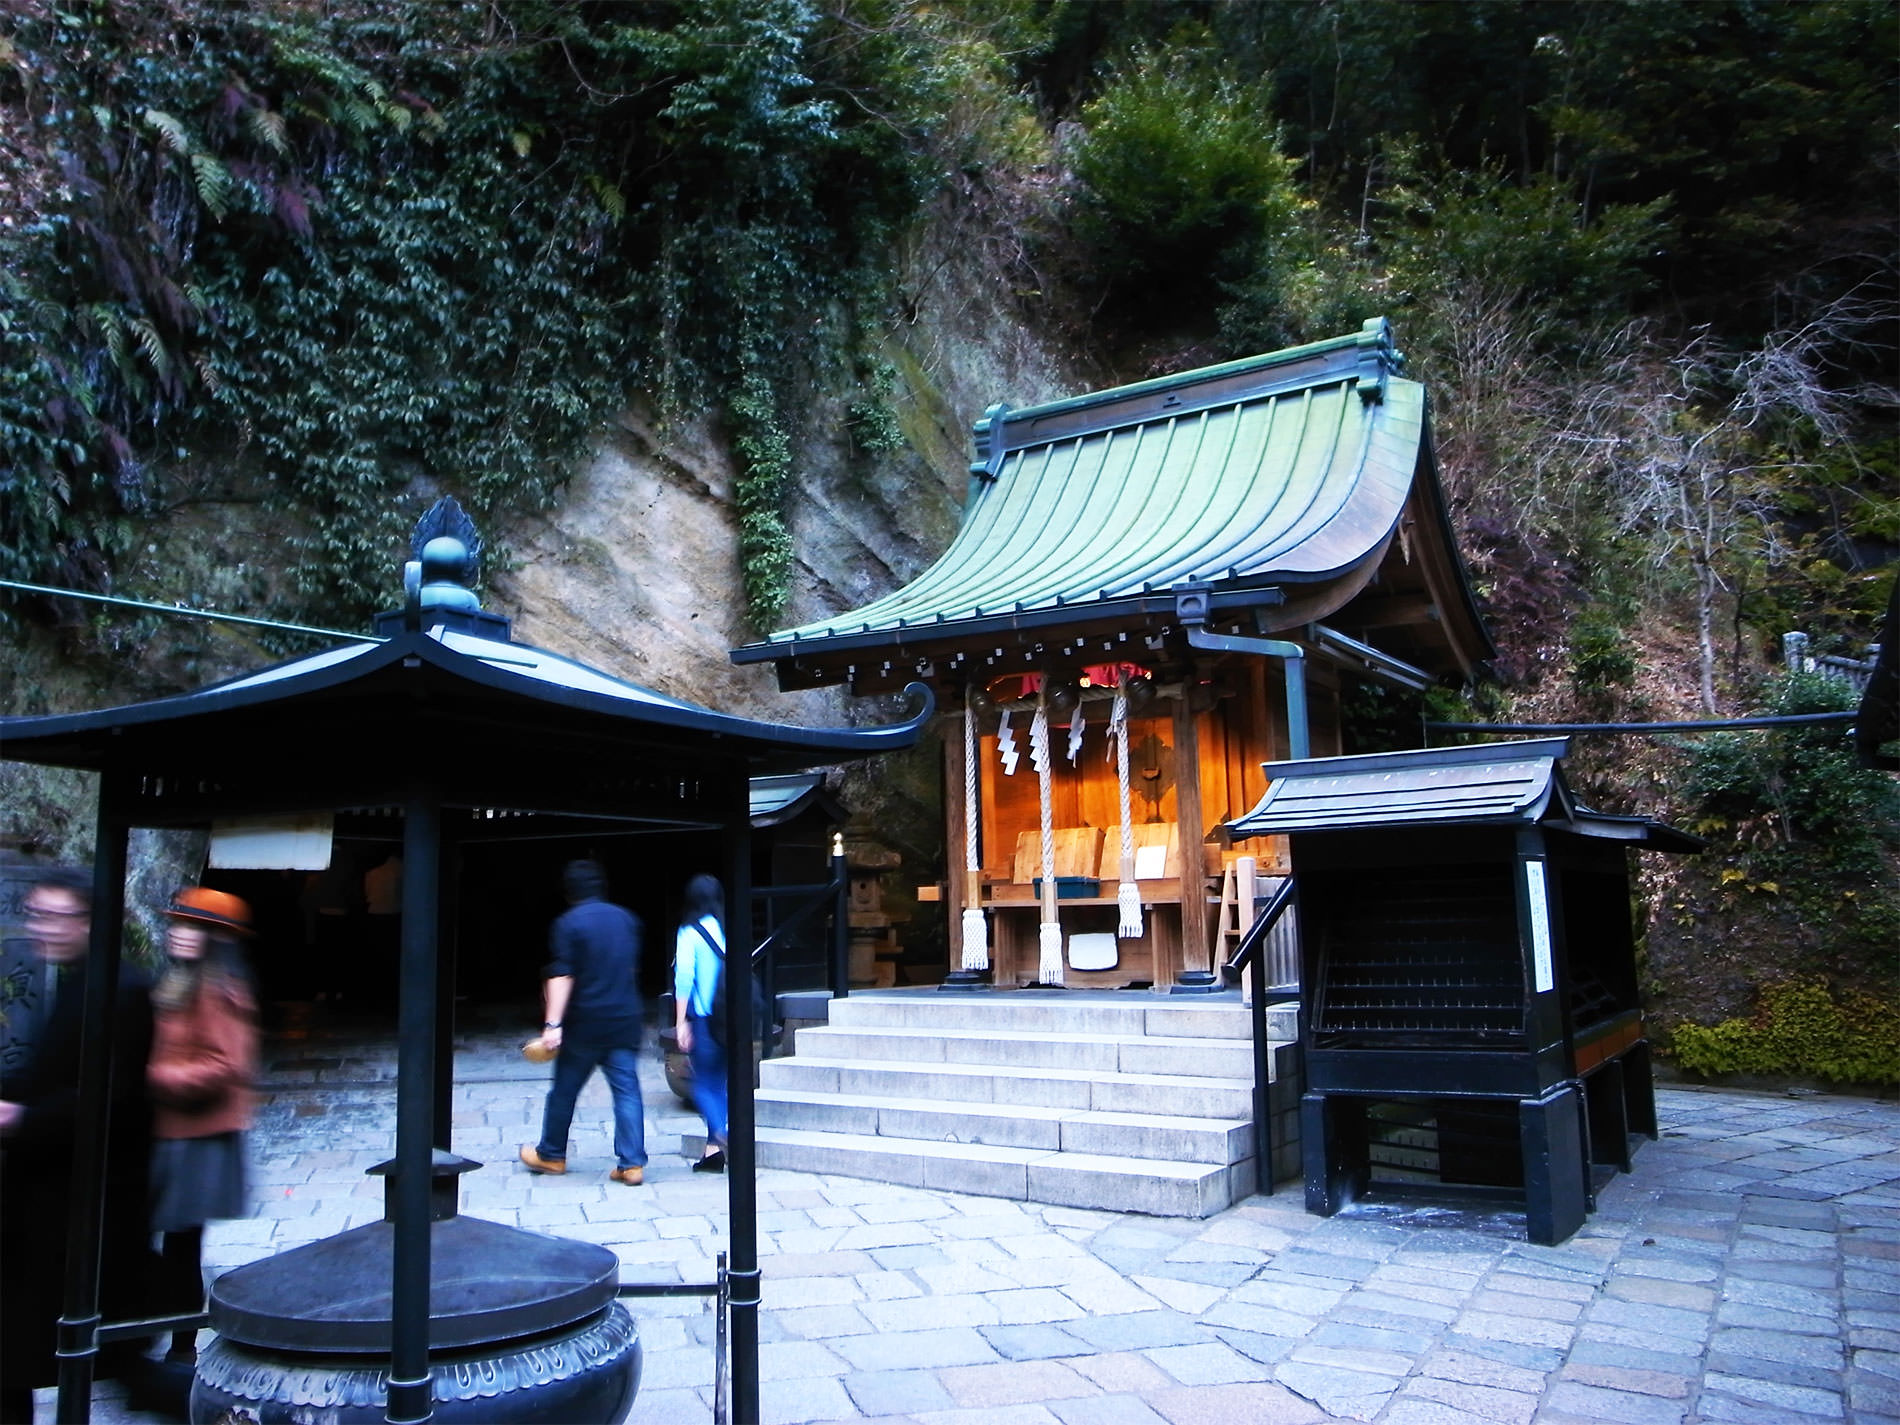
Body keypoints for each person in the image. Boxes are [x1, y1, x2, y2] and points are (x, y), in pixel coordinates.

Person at [0, 867, 154, 1425]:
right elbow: (52, 1070)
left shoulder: (123, 987)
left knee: (41, 1333)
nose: (41, 927)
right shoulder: (73, 981)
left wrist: (24, 1117)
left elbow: (114, 1092)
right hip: (48, 1187)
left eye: (54, 916)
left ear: (88, 922)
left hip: (83, 1194)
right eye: (36, 914)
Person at [147, 887, 259, 1368]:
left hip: (198, 1135)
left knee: (180, 1244)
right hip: (175, 1130)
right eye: (177, 924)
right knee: (173, 1242)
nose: (179, 933)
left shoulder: (218, 990)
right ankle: (168, 1339)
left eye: (191, 926)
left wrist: (157, 1076)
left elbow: (227, 1062)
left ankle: (180, 1347)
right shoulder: (182, 981)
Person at [519, 859, 648, 1185]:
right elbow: (630, 970)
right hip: (625, 1019)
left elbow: (562, 975)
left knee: (564, 1091)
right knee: (627, 1092)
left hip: (585, 1024)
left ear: (569, 891)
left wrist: (552, 1025)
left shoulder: (568, 924)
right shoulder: (627, 919)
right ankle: (632, 1164)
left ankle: (551, 1155)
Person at [673, 873, 729, 1173]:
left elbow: (684, 978)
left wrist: (680, 1022)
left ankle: (723, 1130)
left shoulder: (689, 932)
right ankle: (713, 1154)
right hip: (732, 1019)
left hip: (706, 1020)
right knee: (718, 1084)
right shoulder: (726, 928)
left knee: (700, 1085)